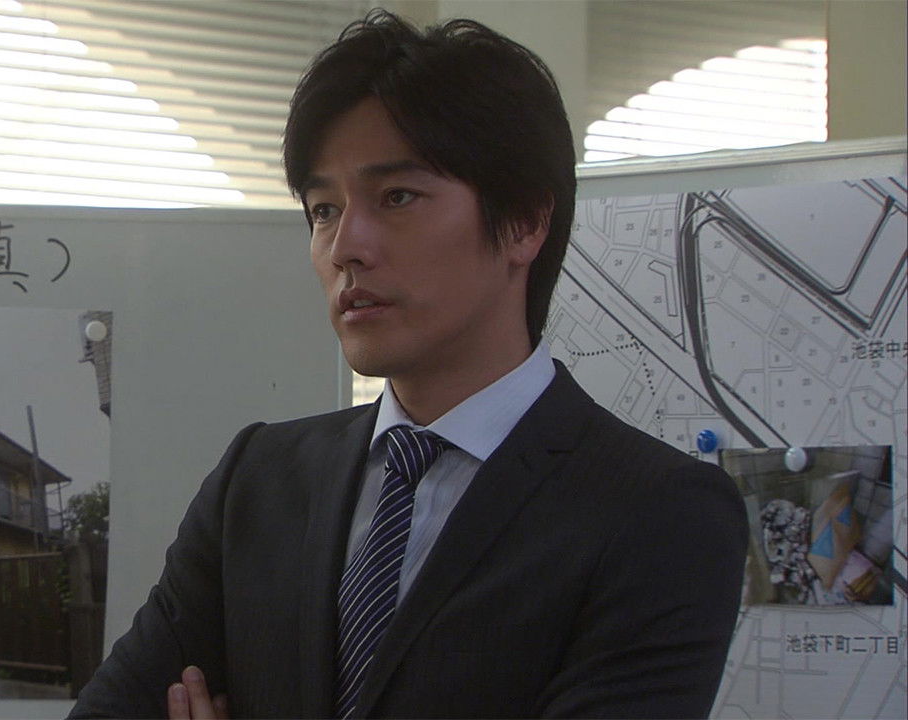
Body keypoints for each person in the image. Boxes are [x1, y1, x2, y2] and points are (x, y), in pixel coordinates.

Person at [70, 9, 746, 719]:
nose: (345, 247)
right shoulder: (258, 480)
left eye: (397, 197)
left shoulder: (658, 513)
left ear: (524, 222)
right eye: (324, 209)